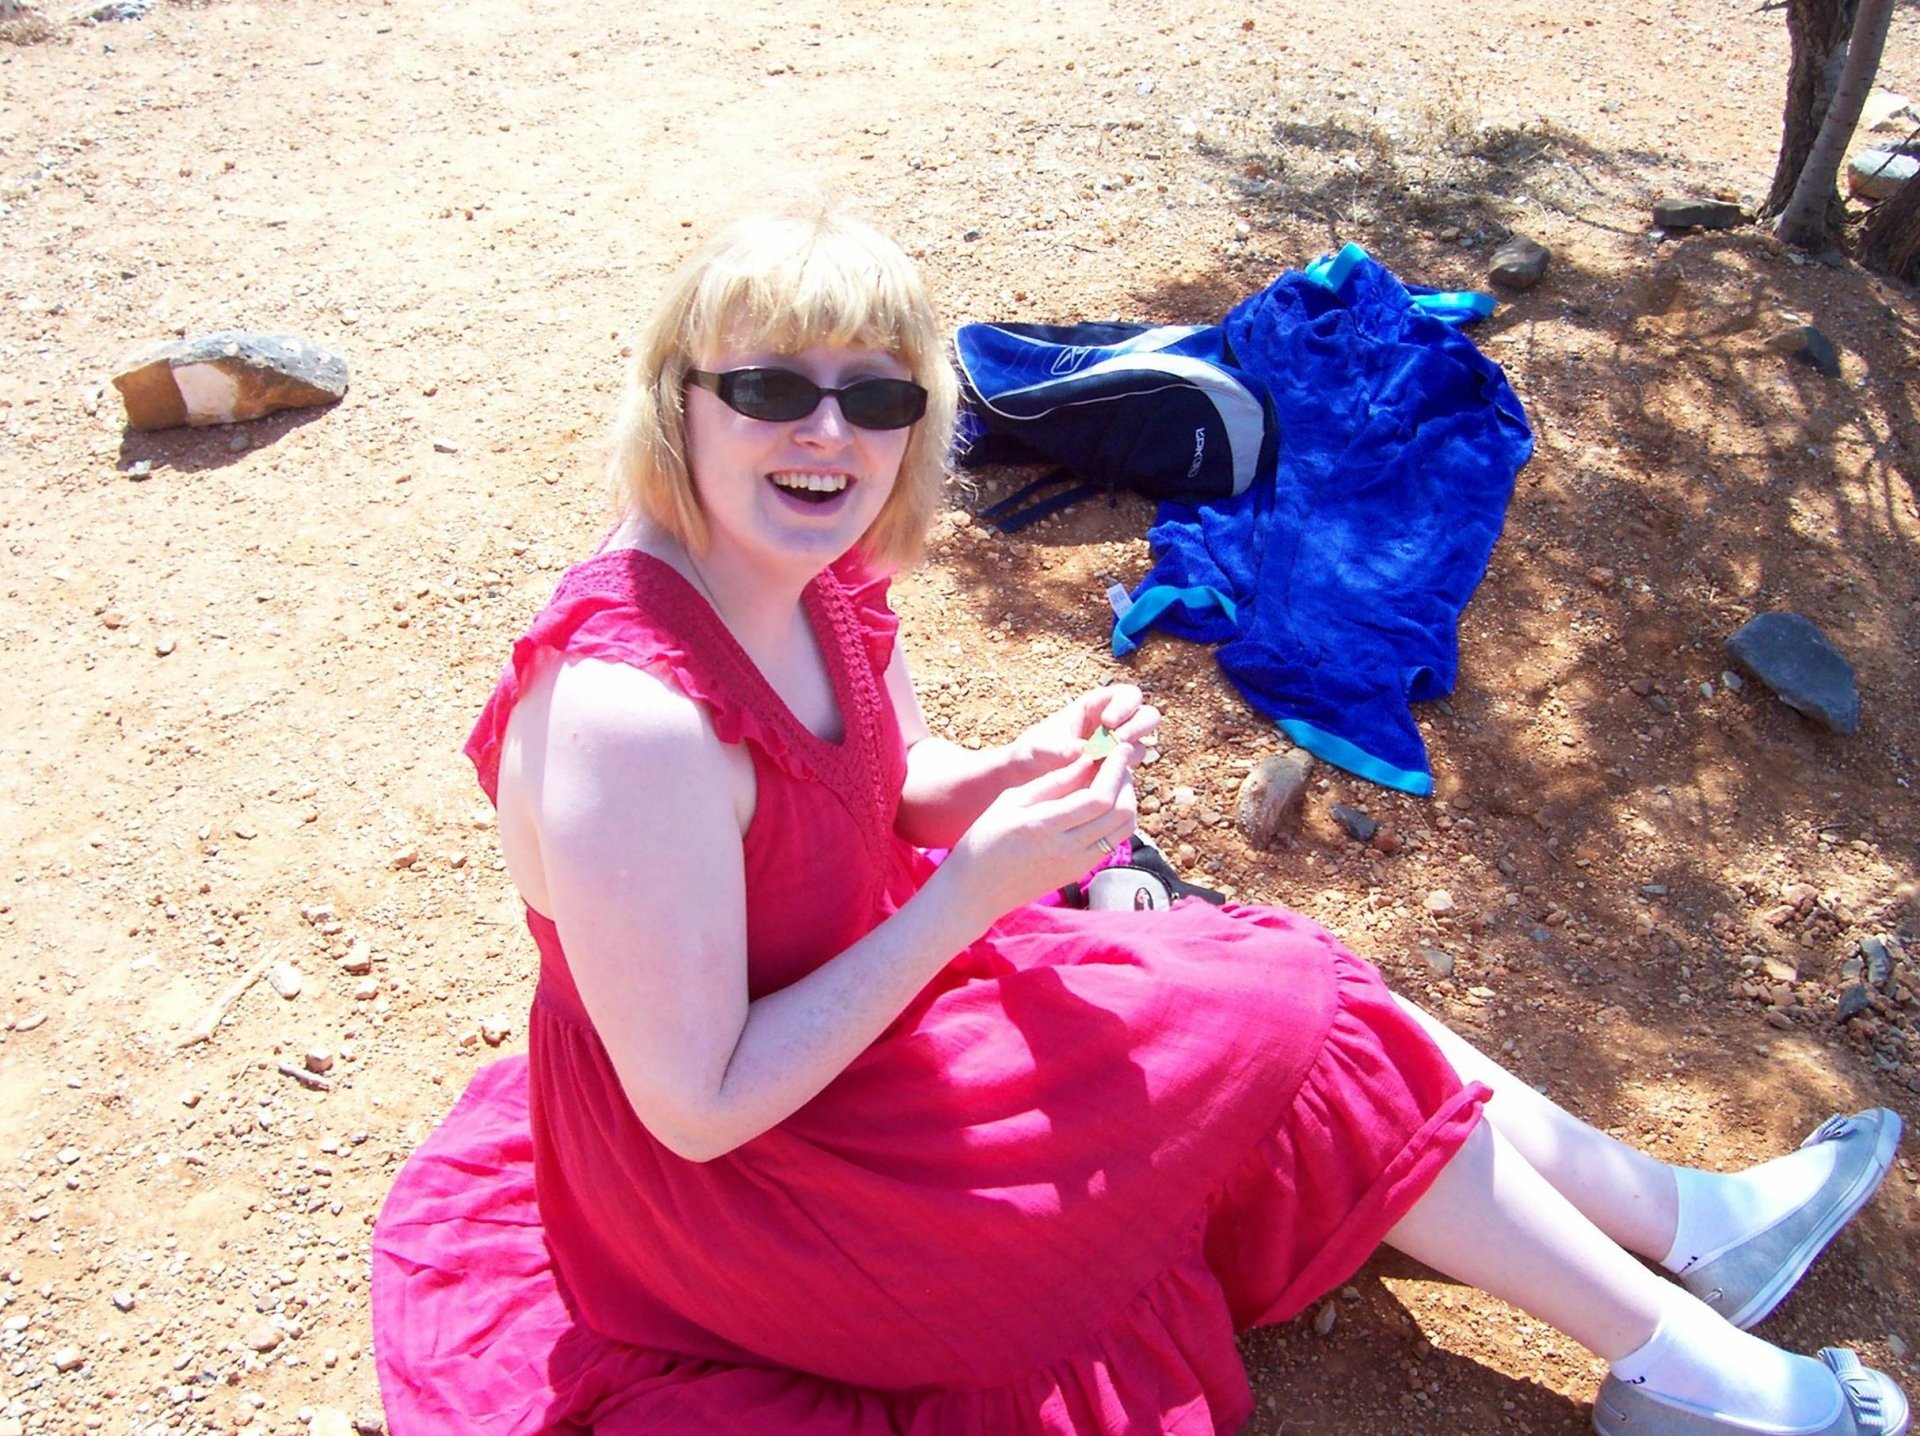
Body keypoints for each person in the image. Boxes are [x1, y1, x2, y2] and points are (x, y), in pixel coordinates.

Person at [370, 198, 1908, 1436]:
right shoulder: (630, 717)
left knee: (1289, 992)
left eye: (877, 397)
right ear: (680, 404)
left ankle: (1691, 1241)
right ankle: (1690, 1357)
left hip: (860, 1034)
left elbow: (884, 784)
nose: (825, 435)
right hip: (751, 1197)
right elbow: (697, 1106)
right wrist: (969, 893)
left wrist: (1009, 775)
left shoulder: (803, 571)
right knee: (1282, 1001)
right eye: (772, 388)